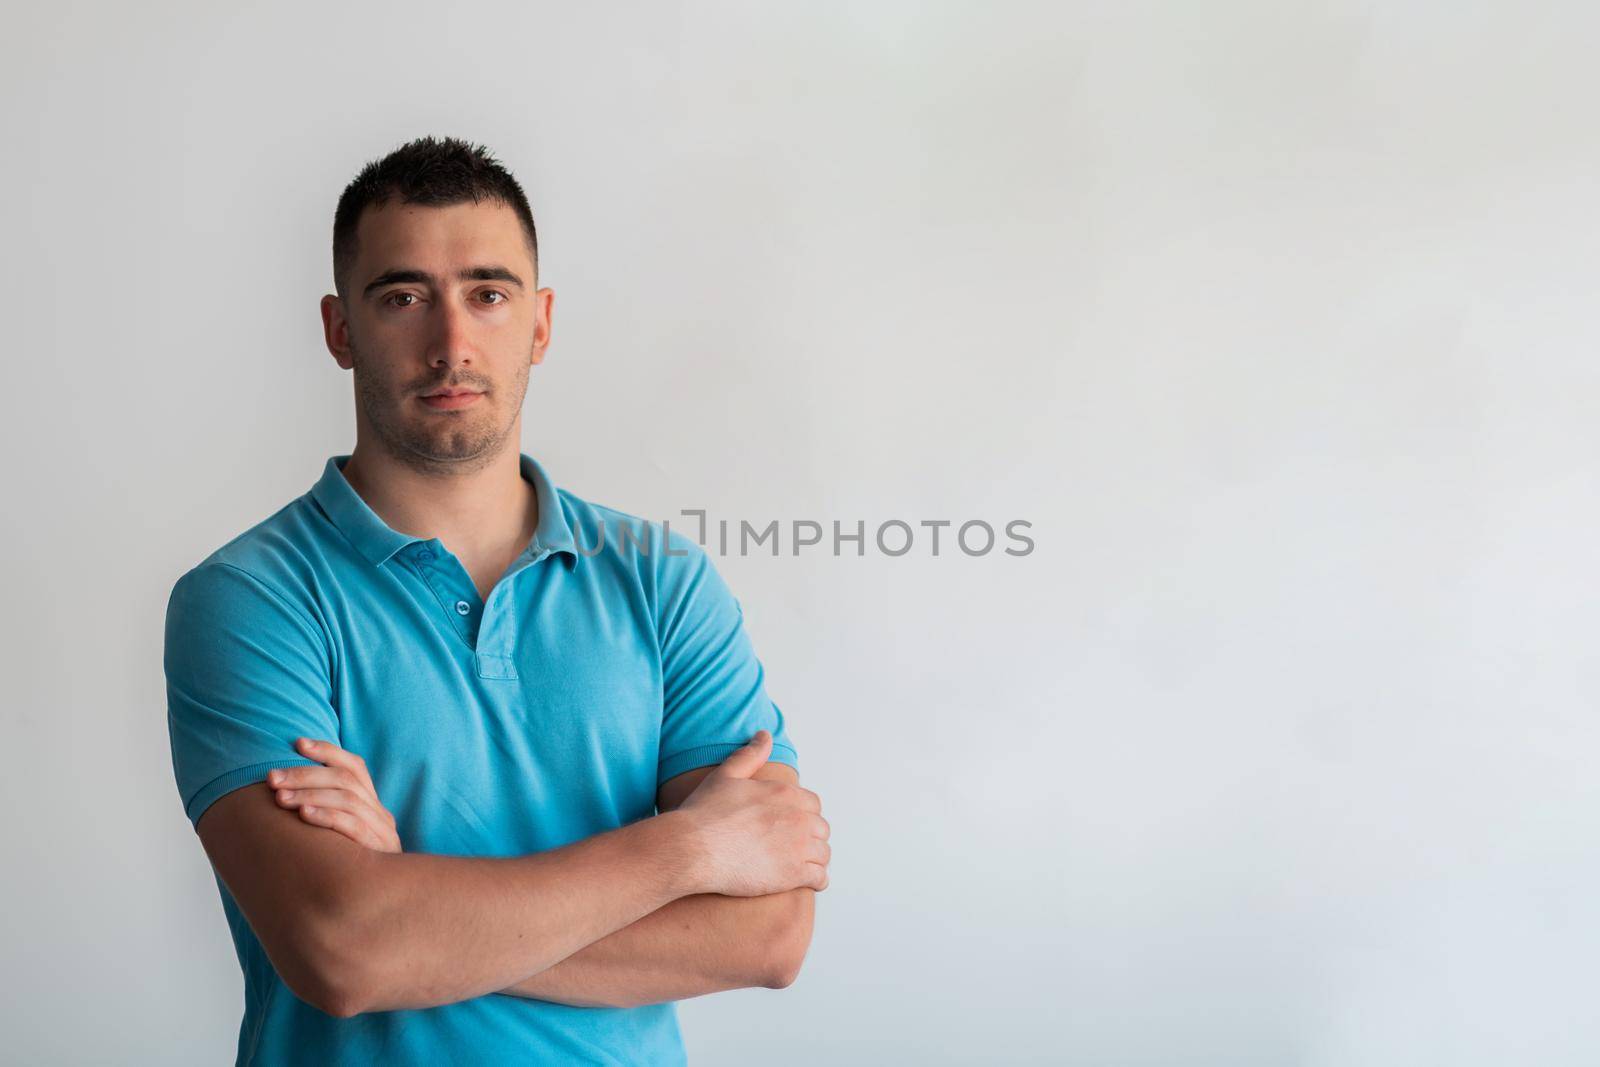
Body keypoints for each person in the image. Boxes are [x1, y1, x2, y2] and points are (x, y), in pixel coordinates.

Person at [162, 135, 829, 1066]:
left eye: (488, 293)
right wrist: (685, 853)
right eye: (403, 297)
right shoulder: (248, 600)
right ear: (339, 327)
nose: (451, 344)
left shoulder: (663, 581)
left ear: (541, 323)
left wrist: (411, 907)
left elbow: (767, 936)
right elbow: (343, 949)